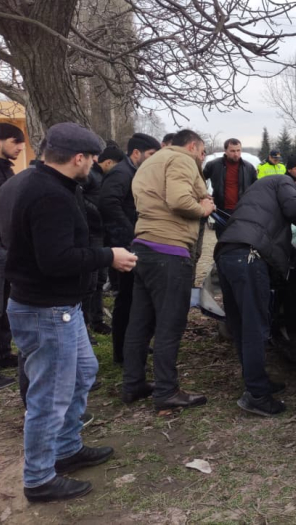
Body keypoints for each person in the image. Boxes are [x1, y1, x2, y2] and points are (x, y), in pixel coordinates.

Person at [0, 122, 138, 503]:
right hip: (46, 309)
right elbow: (56, 260)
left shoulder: (28, 182)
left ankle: (66, 447)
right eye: (91, 158)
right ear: (78, 158)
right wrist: (109, 255)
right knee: (50, 396)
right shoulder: (50, 195)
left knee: (84, 372)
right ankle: (39, 478)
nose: (93, 165)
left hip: (56, 306)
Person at [122, 130, 215, 410]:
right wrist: (203, 208)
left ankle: (133, 383)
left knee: (140, 323)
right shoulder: (182, 159)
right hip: (170, 250)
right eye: (202, 152)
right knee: (170, 324)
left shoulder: (149, 162)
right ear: (192, 146)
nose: (202, 158)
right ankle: (166, 391)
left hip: (143, 248)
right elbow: (179, 200)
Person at [214, 168, 296, 417]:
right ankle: (257, 395)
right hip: (249, 256)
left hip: (226, 253)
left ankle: (256, 382)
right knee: (255, 327)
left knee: (241, 325)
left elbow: (273, 231)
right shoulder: (282, 180)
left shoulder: (255, 191)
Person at [99, 133, 161, 364]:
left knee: (135, 299)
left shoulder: (133, 172)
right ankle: (122, 352)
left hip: (130, 243)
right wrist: (132, 231)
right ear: (136, 153)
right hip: (124, 245)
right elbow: (108, 203)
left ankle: (133, 345)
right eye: (151, 155)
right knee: (126, 299)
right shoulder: (121, 173)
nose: (153, 159)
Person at [81, 146, 124, 336]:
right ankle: (84, 326)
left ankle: (97, 320)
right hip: (91, 234)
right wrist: (100, 212)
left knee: (99, 280)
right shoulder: (89, 175)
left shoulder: (104, 177)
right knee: (89, 283)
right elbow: (79, 200)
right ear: (108, 163)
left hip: (102, 233)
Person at [0, 123, 21, 375]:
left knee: (3, 303)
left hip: (5, 246)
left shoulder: (6, 170)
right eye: (15, 141)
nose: (20, 147)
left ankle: (3, 352)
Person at [202, 138, 257, 238]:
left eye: (238, 150)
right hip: (221, 211)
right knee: (222, 239)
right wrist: (204, 194)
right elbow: (199, 180)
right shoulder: (213, 165)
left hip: (242, 211)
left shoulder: (249, 168)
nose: (236, 154)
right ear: (225, 151)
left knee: (240, 239)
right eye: (232, 151)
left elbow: (256, 188)